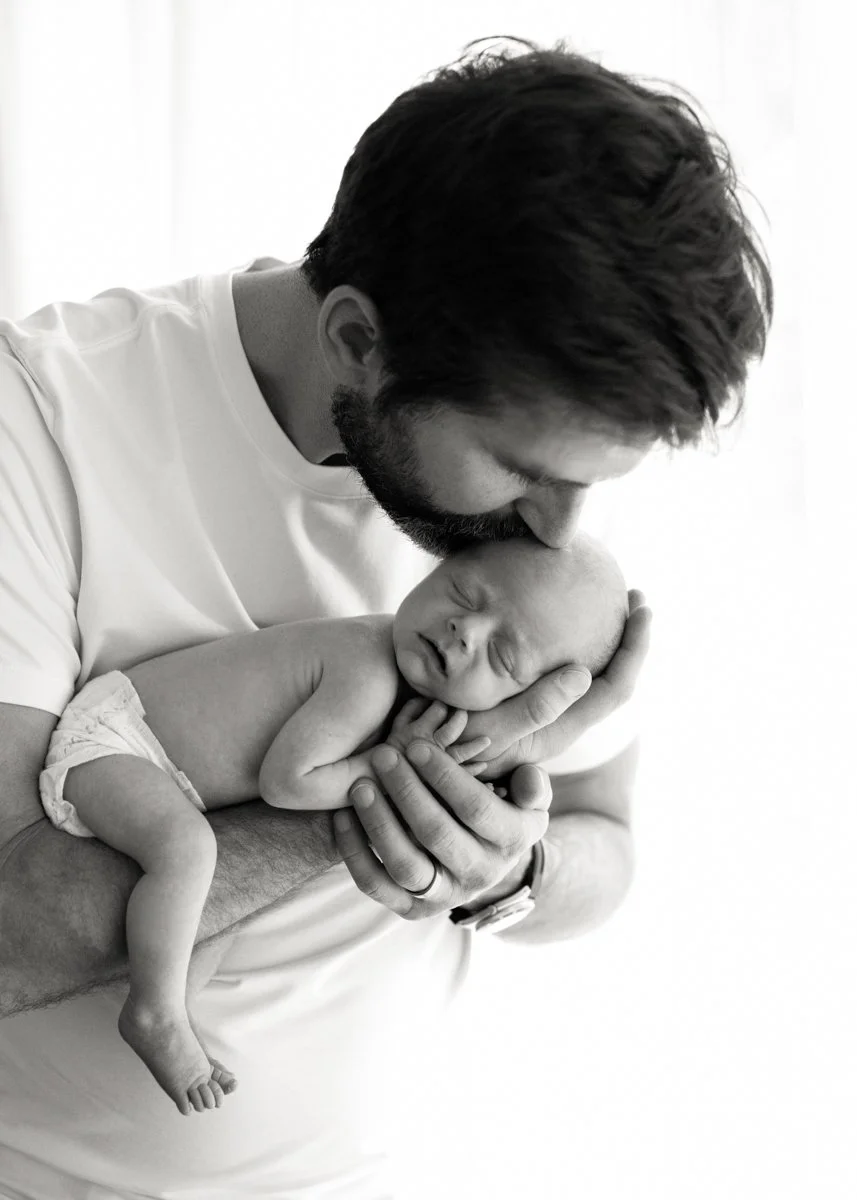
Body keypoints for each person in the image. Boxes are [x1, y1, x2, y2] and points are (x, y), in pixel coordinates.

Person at [0, 36, 771, 1200]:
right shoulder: (45, 420)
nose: (562, 529)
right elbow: (7, 925)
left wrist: (509, 868)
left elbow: (602, 840)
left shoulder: (539, 484)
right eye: (523, 470)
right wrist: (381, 801)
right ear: (359, 341)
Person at [37, 533, 627, 1115]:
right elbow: (288, 783)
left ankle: (173, 1012)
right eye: (462, 593)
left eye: (501, 656)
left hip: (150, 768)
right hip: (113, 744)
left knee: (218, 918)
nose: (465, 630)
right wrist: (388, 764)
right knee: (190, 854)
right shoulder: (365, 665)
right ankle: (153, 1010)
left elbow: (607, 840)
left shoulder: (408, 687)